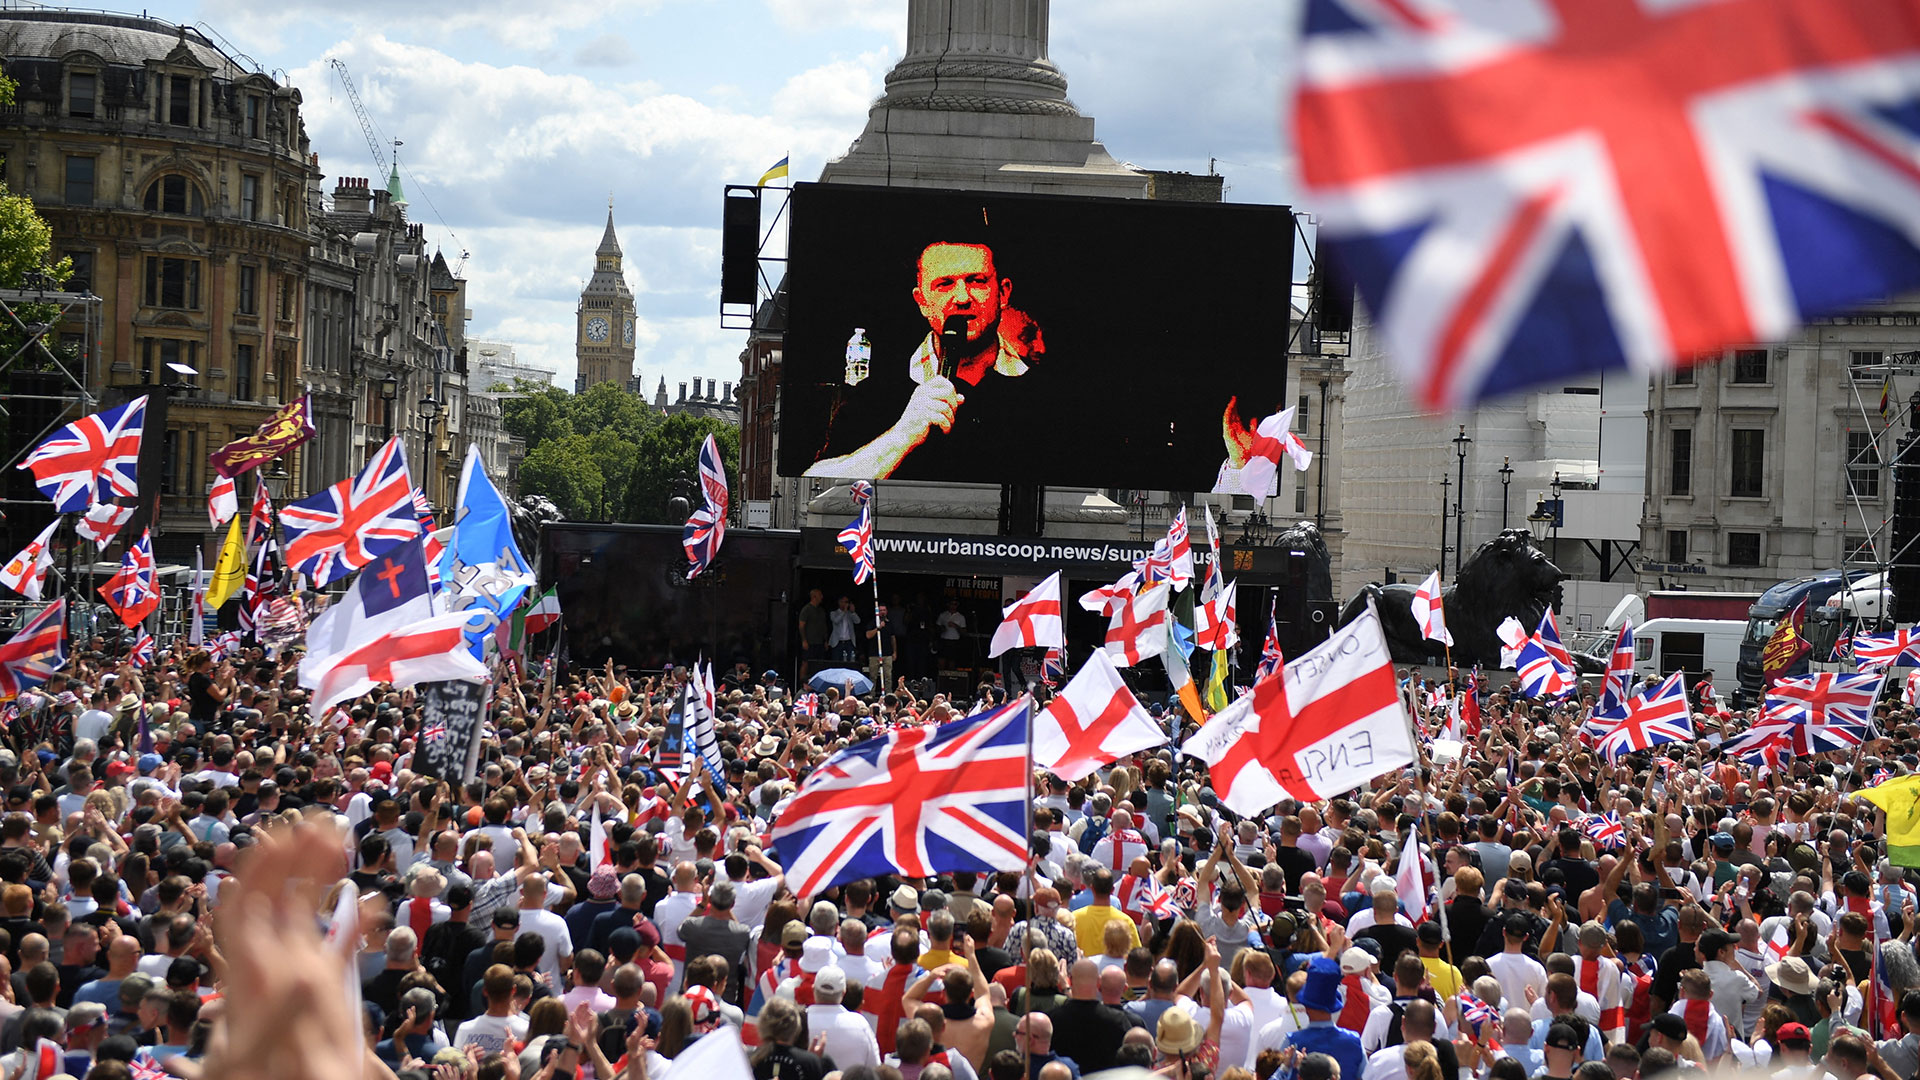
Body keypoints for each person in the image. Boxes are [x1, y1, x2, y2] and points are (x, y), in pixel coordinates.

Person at [805, 236, 1049, 480]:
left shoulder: (1047, 395)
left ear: (1003, 293)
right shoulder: (879, 392)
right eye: (945, 284)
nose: (962, 298)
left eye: (977, 281)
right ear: (922, 302)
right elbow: (816, 485)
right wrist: (903, 434)